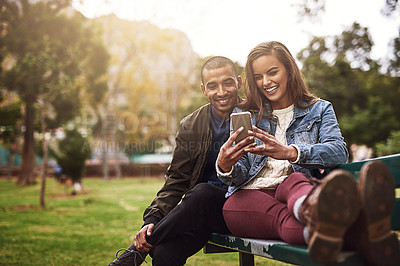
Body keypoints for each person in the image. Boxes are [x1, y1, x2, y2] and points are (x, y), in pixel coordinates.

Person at [216, 41, 399, 265]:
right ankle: (357, 231)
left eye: (273, 72)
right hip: (250, 198)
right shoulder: (246, 114)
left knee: (295, 179)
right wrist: (226, 166)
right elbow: (241, 173)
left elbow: (338, 151)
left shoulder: (319, 109)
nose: (266, 82)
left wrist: (292, 152)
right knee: (251, 210)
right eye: (258, 77)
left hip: (296, 190)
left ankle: (316, 212)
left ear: (289, 70)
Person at [108, 56, 241, 266]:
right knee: (164, 252)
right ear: (203, 89)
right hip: (202, 215)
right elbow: (177, 179)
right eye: (213, 86)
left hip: (241, 210)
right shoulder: (191, 125)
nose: (222, 92)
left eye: (228, 83)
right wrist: (152, 220)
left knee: (202, 192)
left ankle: (135, 253)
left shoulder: (256, 115)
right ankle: (148, 243)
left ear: (239, 82)